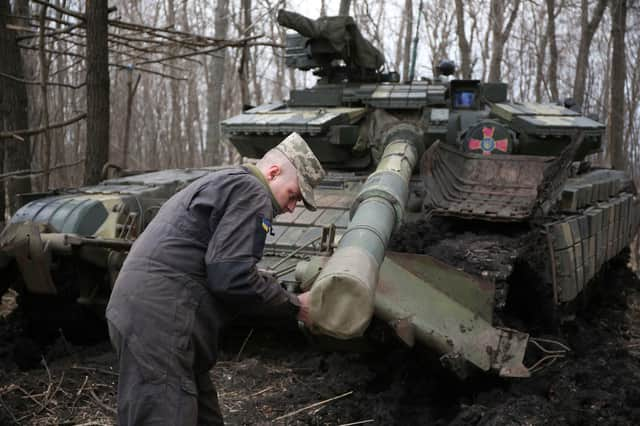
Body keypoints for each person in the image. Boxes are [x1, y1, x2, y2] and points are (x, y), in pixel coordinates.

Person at [105, 132, 326, 425]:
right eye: (294, 195)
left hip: (148, 313)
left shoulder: (227, 182)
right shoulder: (253, 192)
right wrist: (295, 305)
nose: (291, 207)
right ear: (273, 173)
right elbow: (231, 276)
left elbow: (217, 262)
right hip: (161, 321)